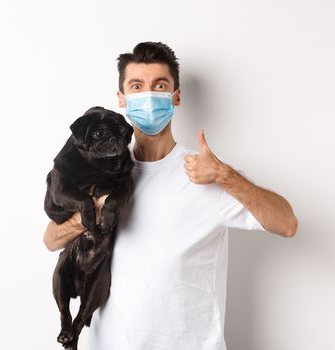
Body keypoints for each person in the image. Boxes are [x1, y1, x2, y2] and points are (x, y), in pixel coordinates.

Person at [43, 41, 298, 349]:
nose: (148, 96)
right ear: (122, 99)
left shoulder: (207, 173)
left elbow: (286, 223)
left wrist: (225, 176)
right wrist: (93, 212)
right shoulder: (102, 174)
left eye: (159, 85)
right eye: (137, 86)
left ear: (176, 97)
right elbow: (51, 239)